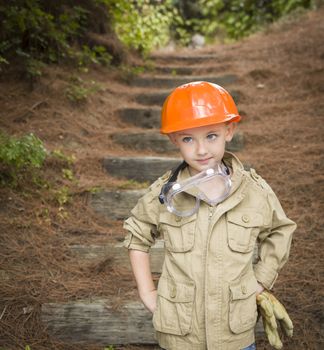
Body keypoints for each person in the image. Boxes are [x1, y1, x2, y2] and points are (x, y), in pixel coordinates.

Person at [123, 81, 296, 350]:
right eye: (188, 139)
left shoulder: (253, 191)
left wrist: (261, 278)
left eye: (211, 136)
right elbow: (137, 234)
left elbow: (280, 229)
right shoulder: (165, 193)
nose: (201, 150)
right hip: (180, 333)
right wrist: (147, 291)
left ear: (229, 130)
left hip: (234, 333)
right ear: (174, 139)